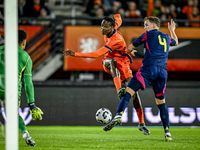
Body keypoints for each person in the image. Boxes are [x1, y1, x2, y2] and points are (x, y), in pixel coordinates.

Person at [63, 14, 150, 135]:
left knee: (134, 92)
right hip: (109, 61)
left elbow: (96, 54)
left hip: (123, 63)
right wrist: (117, 15)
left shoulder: (115, 40)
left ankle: (141, 123)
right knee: (112, 61)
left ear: (112, 28)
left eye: (105, 27)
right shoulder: (114, 26)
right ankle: (119, 89)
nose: (102, 29)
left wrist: (75, 54)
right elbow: (119, 19)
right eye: (101, 26)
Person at [103, 17, 178, 142]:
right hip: (162, 73)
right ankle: (167, 133)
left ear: (154, 26)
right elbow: (175, 42)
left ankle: (118, 115)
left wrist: (129, 52)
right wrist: (172, 30)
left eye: (146, 25)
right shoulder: (166, 36)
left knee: (129, 91)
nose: (145, 27)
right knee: (161, 103)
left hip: (148, 70)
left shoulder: (147, 35)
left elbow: (129, 48)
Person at [0, 29, 43, 146]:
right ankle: (25, 133)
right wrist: (32, 104)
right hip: (11, 91)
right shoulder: (26, 58)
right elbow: (28, 83)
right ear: (23, 42)